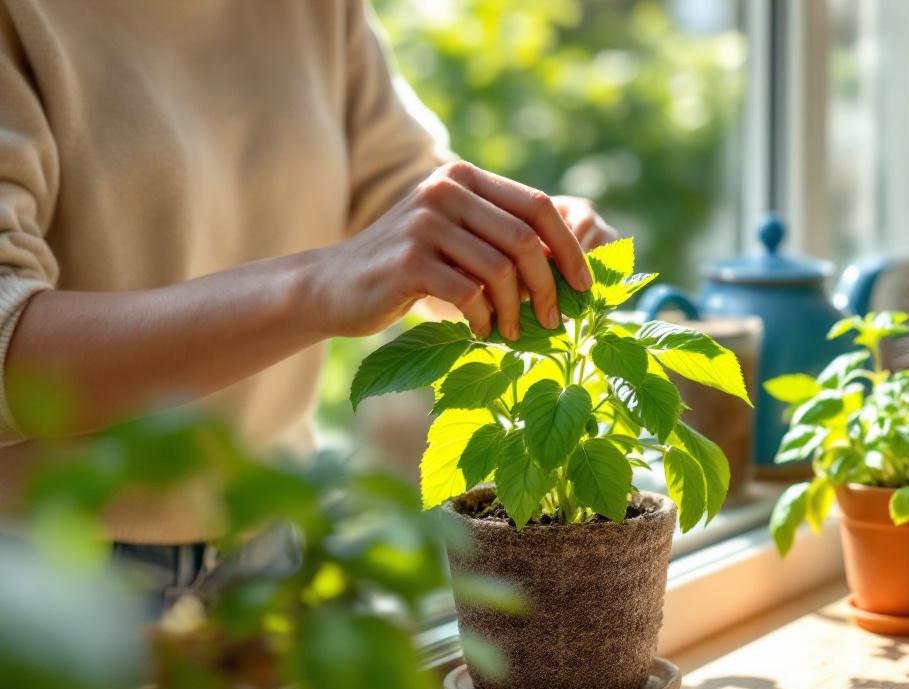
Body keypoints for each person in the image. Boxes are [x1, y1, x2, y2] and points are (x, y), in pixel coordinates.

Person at [0, 0, 617, 609]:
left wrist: (512, 244)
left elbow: (398, 186)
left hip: (274, 542)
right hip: (49, 571)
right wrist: (317, 285)